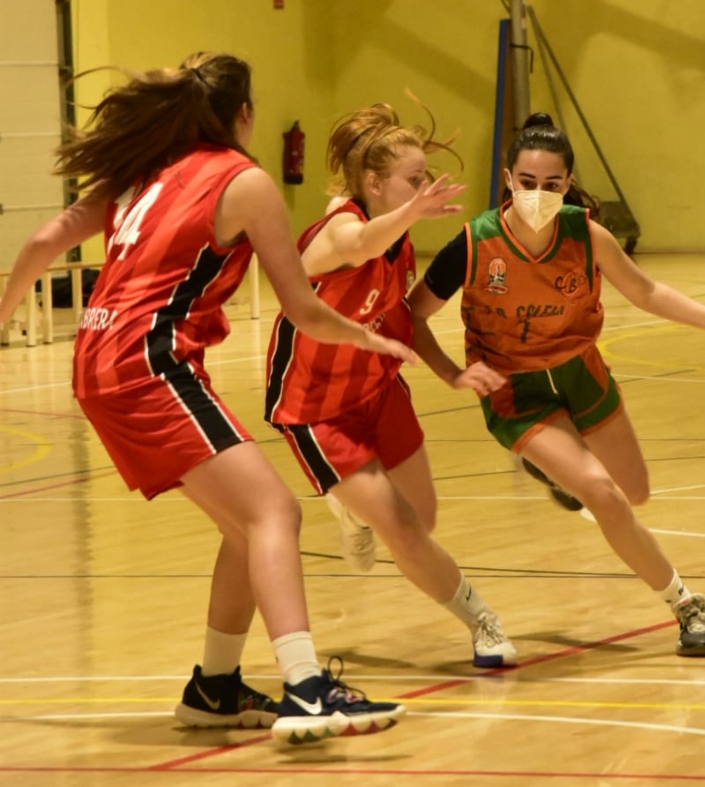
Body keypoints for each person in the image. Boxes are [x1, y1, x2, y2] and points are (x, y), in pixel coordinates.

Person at [0, 52, 410, 745]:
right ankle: (307, 688)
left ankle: (215, 687)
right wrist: (371, 340)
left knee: (245, 525)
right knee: (276, 509)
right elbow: (304, 309)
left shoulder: (142, 171)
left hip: (95, 359)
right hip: (146, 359)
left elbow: (43, 240)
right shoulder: (244, 182)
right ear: (243, 114)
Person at [406, 113, 705, 657]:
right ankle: (687, 603)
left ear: (568, 185)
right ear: (508, 180)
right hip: (516, 391)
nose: (538, 194)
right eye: (526, 183)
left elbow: (646, 292)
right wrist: (453, 374)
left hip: (581, 372)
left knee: (636, 492)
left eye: (551, 185)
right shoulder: (474, 244)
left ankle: (555, 471)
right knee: (601, 493)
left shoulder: (585, 234)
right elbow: (410, 316)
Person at [264, 102, 517, 668]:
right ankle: (483, 621)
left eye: (426, 178)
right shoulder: (341, 231)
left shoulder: (396, 240)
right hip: (317, 408)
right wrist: (413, 213)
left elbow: (403, 316)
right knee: (403, 530)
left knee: (421, 518)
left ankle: (352, 511)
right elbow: (358, 246)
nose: (425, 189)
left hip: (378, 389)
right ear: (373, 183)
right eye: (415, 180)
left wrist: (454, 373)